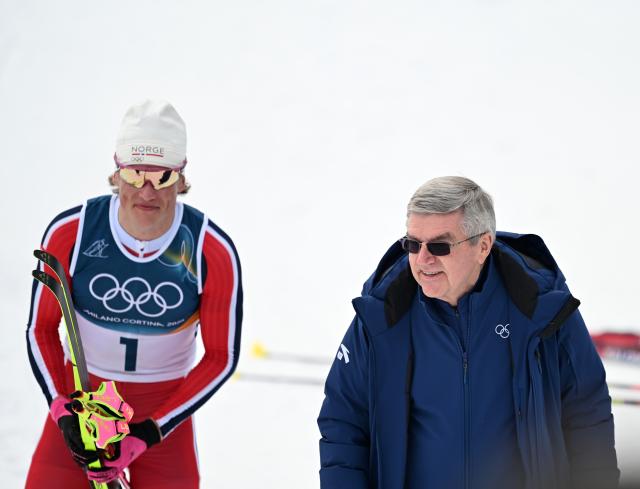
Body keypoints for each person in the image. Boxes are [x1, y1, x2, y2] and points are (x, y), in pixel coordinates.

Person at [317, 176, 619, 489]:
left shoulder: (542, 310)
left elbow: (587, 414)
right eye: (412, 244)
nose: (423, 260)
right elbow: (343, 421)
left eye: (439, 246)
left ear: (483, 245)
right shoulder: (383, 315)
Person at [25, 100, 243, 488]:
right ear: (116, 170)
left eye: (161, 177)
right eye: (135, 173)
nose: (147, 191)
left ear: (180, 177)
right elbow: (40, 330)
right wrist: (62, 410)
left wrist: (150, 431)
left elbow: (220, 358)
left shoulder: (209, 250)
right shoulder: (72, 234)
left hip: (161, 418)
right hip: (83, 404)